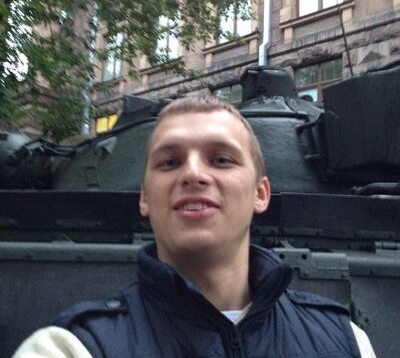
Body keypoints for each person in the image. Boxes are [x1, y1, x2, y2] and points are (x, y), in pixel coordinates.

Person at [13, 94, 376, 358]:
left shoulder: (347, 342)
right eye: (170, 162)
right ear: (144, 196)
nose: (193, 174)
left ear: (260, 193)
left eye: (221, 159)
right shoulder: (70, 348)